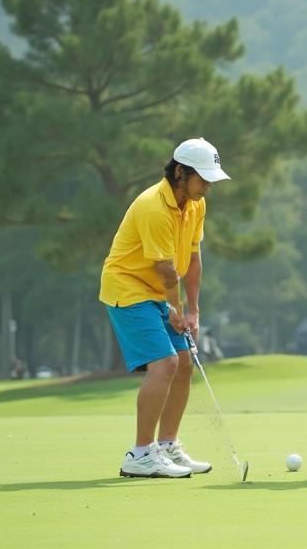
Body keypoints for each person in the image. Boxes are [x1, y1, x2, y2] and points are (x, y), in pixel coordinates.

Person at [100, 137, 230, 478]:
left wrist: (194, 311)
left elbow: (193, 258)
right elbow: (165, 270)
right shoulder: (153, 207)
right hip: (128, 287)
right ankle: (140, 454)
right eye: (203, 178)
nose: (208, 186)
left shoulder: (196, 203)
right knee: (165, 362)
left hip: (158, 290)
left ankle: (168, 445)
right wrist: (176, 310)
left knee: (184, 363)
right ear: (179, 172)